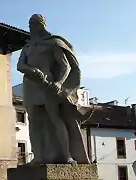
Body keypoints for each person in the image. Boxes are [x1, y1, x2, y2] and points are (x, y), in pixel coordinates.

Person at [17, 14, 90, 164]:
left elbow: (66, 66)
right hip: (31, 86)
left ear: (41, 25)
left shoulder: (53, 43)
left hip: (48, 86)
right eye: (29, 25)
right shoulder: (27, 47)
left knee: (55, 118)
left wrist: (59, 83)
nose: (31, 28)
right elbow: (19, 66)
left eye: (33, 25)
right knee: (33, 122)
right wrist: (31, 71)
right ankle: (38, 156)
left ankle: (67, 155)